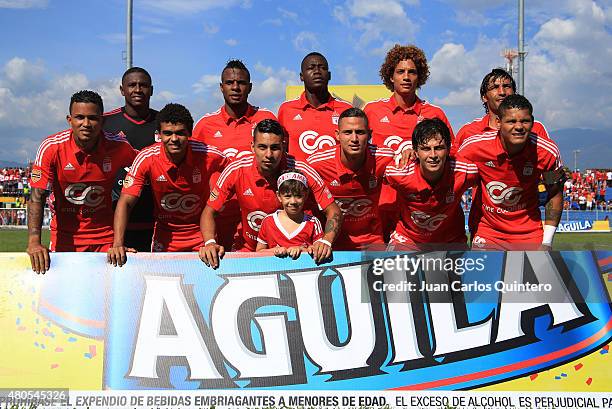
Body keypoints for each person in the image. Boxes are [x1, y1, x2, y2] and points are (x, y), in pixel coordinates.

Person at [199, 119, 342, 268]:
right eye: (262, 147)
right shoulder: (237, 169)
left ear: (284, 147)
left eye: (275, 148)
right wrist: (210, 243)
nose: (268, 154)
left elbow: (333, 210)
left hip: (297, 255)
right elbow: (209, 212)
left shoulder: (302, 171)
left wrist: (326, 241)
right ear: (252, 147)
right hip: (251, 251)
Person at [27, 90, 137, 273]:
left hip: (106, 240)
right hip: (65, 238)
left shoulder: (119, 146)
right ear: (69, 120)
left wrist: (118, 243)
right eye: (79, 117)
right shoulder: (52, 147)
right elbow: (36, 197)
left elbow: (147, 165)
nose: (86, 124)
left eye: (92, 118)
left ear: (102, 121)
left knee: (106, 298)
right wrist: (34, 243)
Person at [108, 104, 228, 266]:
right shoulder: (147, 158)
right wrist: (118, 244)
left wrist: (210, 240)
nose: (174, 139)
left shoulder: (211, 155)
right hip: (165, 236)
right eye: (167, 133)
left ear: (190, 133)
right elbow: (126, 202)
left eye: (180, 133)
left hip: (201, 235)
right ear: (159, 135)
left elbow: (238, 174)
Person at [364, 44, 454, 241]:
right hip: (383, 204)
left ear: (419, 77)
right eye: (400, 71)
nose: (406, 77)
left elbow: (451, 156)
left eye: (412, 72)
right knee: (383, 269)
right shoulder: (372, 111)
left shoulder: (435, 114)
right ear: (390, 76)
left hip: (420, 209)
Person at [456, 95, 564, 250]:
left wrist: (547, 242)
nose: (519, 127)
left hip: (529, 234)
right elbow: (451, 178)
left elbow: (554, 194)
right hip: (488, 233)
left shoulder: (547, 153)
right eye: (511, 121)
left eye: (525, 121)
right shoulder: (474, 147)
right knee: (484, 274)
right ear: (499, 122)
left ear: (532, 122)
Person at [192, 60, 277, 250]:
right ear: (221, 87)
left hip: (260, 215)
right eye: (230, 83)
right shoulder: (205, 125)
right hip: (219, 215)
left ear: (250, 87)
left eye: (241, 83)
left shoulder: (267, 118)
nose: (236, 87)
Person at [307, 107, 394, 249]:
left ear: (370, 134)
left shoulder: (385, 157)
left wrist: (410, 155)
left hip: (373, 243)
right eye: (348, 132)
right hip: (331, 245)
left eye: (360, 132)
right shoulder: (317, 163)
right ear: (337, 135)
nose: (354, 139)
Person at [384, 119, 477, 249]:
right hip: (408, 240)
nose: (433, 155)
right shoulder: (398, 173)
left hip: (451, 241)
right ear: (415, 152)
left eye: (439, 148)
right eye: (426, 149)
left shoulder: (466, 171)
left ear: (449, 149)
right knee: (392, 269)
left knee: (474, 268)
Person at [104, 67, 158, 251]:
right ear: (122, 90)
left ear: (151, 90)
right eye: (132, 85)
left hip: (156, 224)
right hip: (116, 224)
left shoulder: (164, 123)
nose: (137, 89)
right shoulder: (105, 123)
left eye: (143, 85)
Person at [278, 52, 352, 161]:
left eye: (322, 68)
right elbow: (280, 149)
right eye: (311, 68)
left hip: (334, 177)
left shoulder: (346, 110)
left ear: (329, 75)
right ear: (301, 76)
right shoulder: (286, 109)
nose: (317, 72)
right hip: (299, 177)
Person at [256, 170, 323, 259]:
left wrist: (302, 250)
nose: (293, 201)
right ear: (279, 196)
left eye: (298, 196)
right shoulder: (268, 221)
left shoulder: (313, 222)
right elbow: (259, 252)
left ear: (306, 196)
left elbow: (319, 250)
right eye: (287, 196)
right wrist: (275, 251)